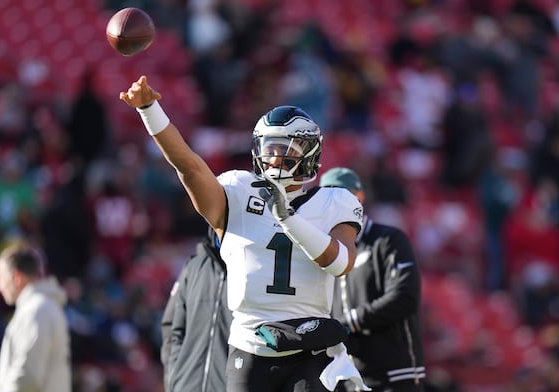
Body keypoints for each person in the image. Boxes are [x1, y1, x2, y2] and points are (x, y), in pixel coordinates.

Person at [120, 75, 367, 392]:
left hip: (311, 348)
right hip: (250, 347)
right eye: (270, 147)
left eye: (287, 149)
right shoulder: (238, 189)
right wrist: (150, 110)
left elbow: (340, 263)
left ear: (309, 154)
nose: (275, 157)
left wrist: (288, 218)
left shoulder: (335, 201)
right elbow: (190, 167)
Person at [319, 168, 426, 392]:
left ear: (360, 197)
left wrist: (349, 322)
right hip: (347, 377)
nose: (335, 204)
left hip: (395, 373)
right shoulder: (324, 252)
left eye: (343, 195)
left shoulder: (388, 240)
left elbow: (404, 297)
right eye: (327, 198)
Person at [160, 226, 232, 392]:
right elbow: (171, 329)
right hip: (186, 386)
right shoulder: (193, 266)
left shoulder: (253, 270)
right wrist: (174, 377)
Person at [0, 242, 71, 392]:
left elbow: (27, 377)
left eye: (0, 278)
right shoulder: (44, 308)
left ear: (16, 277)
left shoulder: (36, 311)